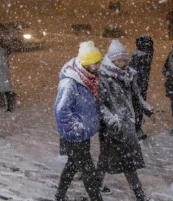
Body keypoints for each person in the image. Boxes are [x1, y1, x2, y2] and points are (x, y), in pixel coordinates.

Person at [97, 39, 155, 201]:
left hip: (127, 125)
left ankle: (98, 185)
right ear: (111, 59)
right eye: (119, 60)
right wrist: (113, 121)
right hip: (112, 129)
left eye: (124, 59)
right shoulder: (103, 78)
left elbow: (136, 96)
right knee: (115, 161)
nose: (123, 63)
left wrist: (148, 110)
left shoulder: (128, 75)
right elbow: (100, 106)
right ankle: (138, 195)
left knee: (117, 161)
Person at [54, 41, 103, 201]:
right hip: (75, 135)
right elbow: (61, 110)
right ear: (87, 64)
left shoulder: (87, 78)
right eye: (95, 64)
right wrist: (76, 129)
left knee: (72, 164)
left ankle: (60, 195)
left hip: (83, 133)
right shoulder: (70, 83)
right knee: (88, 171)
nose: (98, 67)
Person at [129, 35, 154, 140]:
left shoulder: (141, 55)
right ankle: (136, 129)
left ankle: (136, 128)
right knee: (137, 107)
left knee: (137, 107)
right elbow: (139, 73)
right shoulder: (143, 55)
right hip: (138, 86)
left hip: (139, 85)